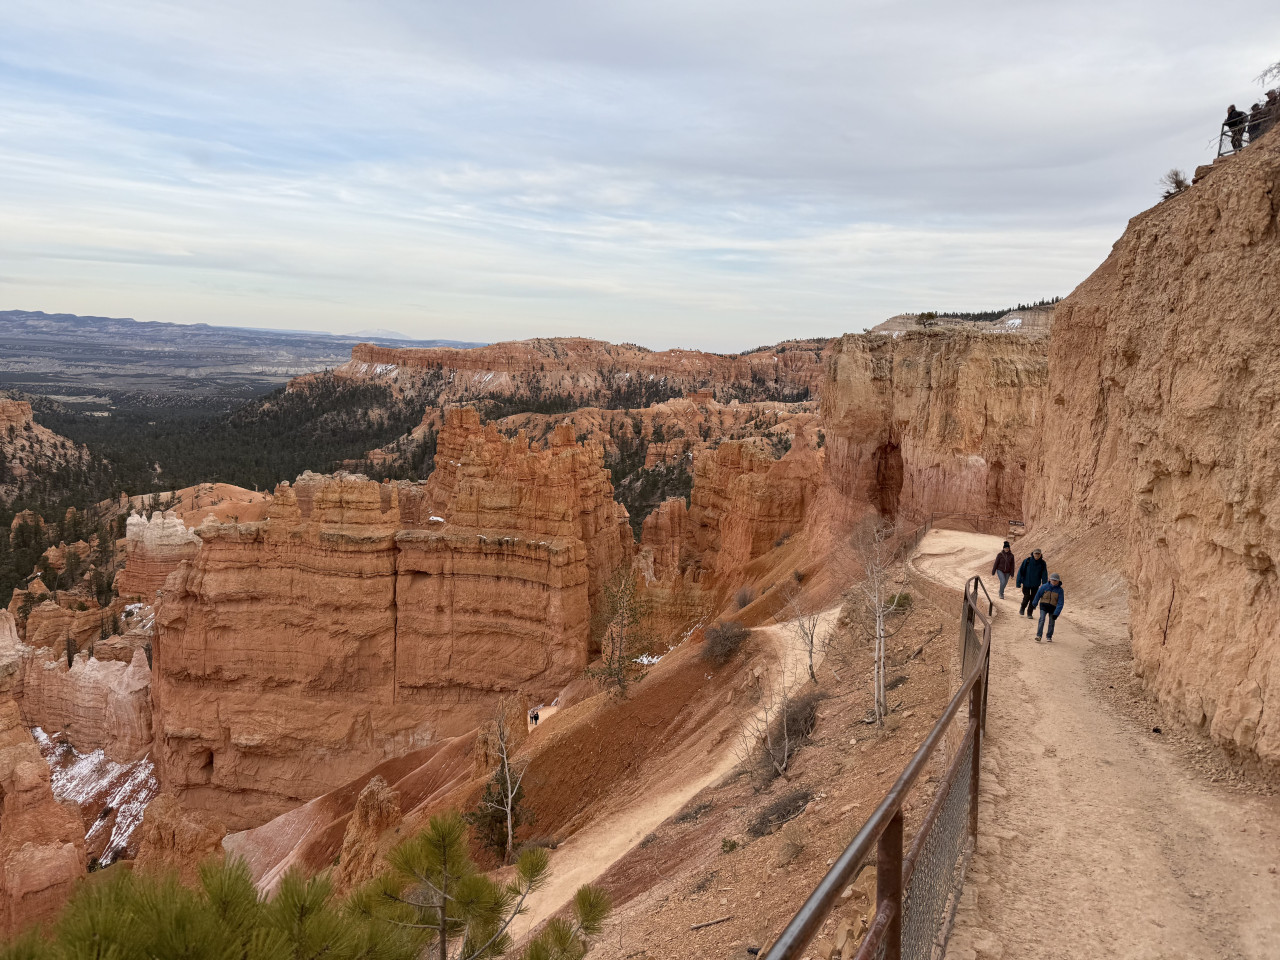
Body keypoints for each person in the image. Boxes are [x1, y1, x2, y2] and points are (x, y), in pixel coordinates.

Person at [1032, 573, 1065, 642]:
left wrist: (1056, 613)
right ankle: (1039, 635)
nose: (1053, 581)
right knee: (1042, 619)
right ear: (1049, 580)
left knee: (1051, 622)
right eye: (1052, 580)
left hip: (1053, 608)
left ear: (1058, 581)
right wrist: (1034, 604)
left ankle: (1049, 636)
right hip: (1043, 606)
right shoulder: (1044, 587)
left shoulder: (1060, 590)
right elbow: (1038, 595)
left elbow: (1060, 603)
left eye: (1055, 580)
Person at [1016, 548, 1048, 619]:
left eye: (1038, 554)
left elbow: (1044, 574)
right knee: (1026, 597)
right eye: (1035, 553)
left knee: (1033, 599)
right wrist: (1018, 582)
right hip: (1026, 583)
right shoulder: (1027, 561)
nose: (1037, 555)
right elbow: (1020, 571)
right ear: (1033, 554)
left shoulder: (1042, 563)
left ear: (1040, 555)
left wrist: (1045, 585)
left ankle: (1029, 613)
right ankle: (1022, 607)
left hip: (1036, 584)